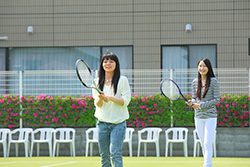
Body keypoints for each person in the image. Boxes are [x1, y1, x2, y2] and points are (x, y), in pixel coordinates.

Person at [92, 52, 131, 167]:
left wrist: (110, 98)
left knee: (115, 154)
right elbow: (98, 104)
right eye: (105, 61)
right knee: (104, 155)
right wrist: (100, 98)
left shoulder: (122, 80)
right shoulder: (96, 82)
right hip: (102, 123)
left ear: (116, 64)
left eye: (111, 61)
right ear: (102, 64)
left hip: (118, 124)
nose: (108, 64)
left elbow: (125, 102)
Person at [186, 58, 220, 167]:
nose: (202, 68)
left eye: (204, 66)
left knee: (207, 143)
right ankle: (209, 165)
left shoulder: (214, 81)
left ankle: (206, 165)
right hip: (198, 116)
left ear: (209, 68)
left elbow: (216, 99)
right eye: (200, 66)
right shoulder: (195, 82)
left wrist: (200, 105)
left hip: (210, 116)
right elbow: (195, 98)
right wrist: (192, 103)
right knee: (203, 144)